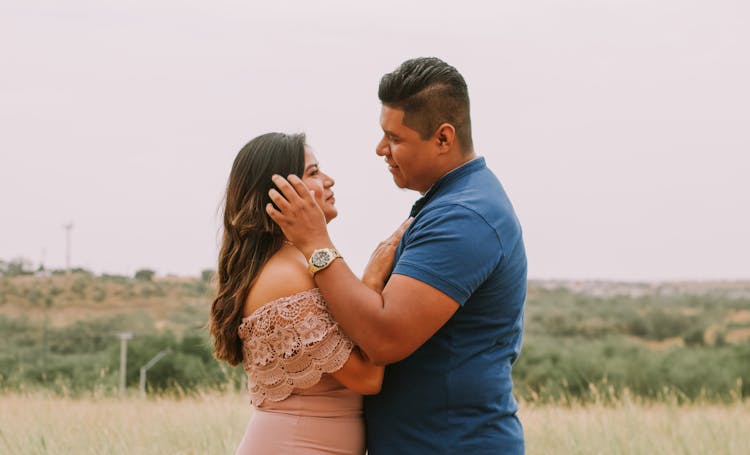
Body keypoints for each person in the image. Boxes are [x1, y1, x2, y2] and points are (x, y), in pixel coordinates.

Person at [267, 57, 527, 454]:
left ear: (443, 138)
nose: (380, 150)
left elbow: (384, 341)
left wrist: (317, 244)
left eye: (395, 138)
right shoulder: (449, 203)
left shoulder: (464, 217)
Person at [209, 132, 406, 454]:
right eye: (313, 173)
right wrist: (371, 279)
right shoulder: (286, 276)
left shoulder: (298, 263)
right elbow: (367, 378)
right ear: (280, 195)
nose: (329, 181)